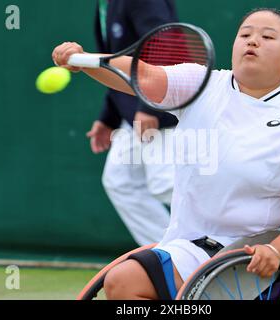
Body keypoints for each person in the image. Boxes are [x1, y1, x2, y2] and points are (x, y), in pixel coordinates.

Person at [53, 8, 280, 300]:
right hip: (187, 248)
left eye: (267, 37)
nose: (253, 42)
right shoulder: (202, 84)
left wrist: (277, 249)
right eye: (245, 35)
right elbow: (147, 76)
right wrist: (85, 60)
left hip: (248, 261)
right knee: (124, 282)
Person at [87, 0, 179, 246]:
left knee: (166, 184)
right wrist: (108, 118)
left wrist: (151, 107)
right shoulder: (105, 4)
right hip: (131, 113)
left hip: (158, 110)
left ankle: (227, 244)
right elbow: (115, 66)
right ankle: (169, 256)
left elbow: (165, 44)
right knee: (121, 181)